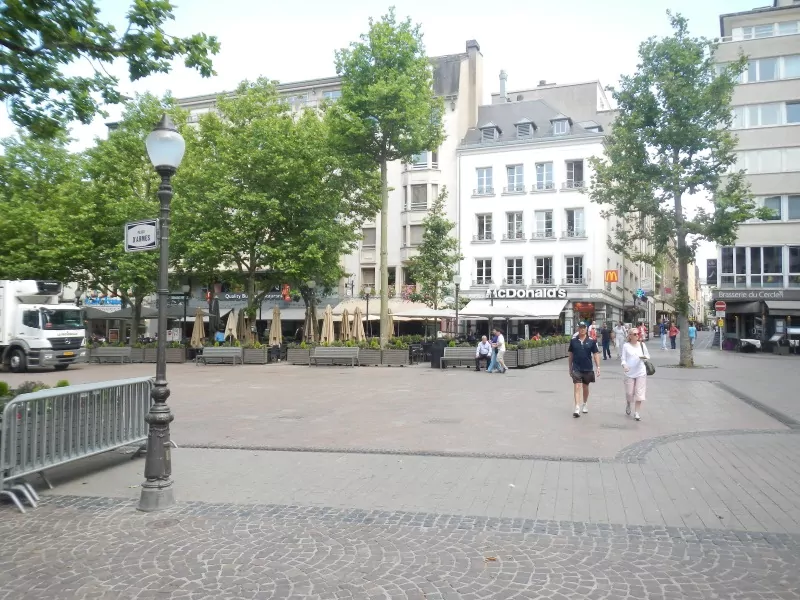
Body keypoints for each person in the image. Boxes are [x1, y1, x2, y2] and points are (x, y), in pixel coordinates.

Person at [567, 322, 601, 418]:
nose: (582, 329)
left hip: (587, 368)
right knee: (577, 386)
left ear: (586, 329)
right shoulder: (573, 341)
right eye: (580, 328)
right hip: (576, 367)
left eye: (583, 328)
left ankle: (585, 403)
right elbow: (570, 355)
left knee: (585, 387)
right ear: (578, 329)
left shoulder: (591, 341)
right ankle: (577, 407)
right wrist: (570, 367)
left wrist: (598, 367)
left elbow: (595, 354)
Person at [620, 327, 650, 421]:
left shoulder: (642, 345)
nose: (637, 335)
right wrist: (624, 365)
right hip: (629, 373)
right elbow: (623, 358)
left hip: (641, 372)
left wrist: (644, 358)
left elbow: (648, 356)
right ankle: (628, 403)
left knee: (639, 393)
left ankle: (637, 412)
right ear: (630, 336)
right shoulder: (626, 346)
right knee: (629, 393)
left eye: (638, 334)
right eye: (635, 334)